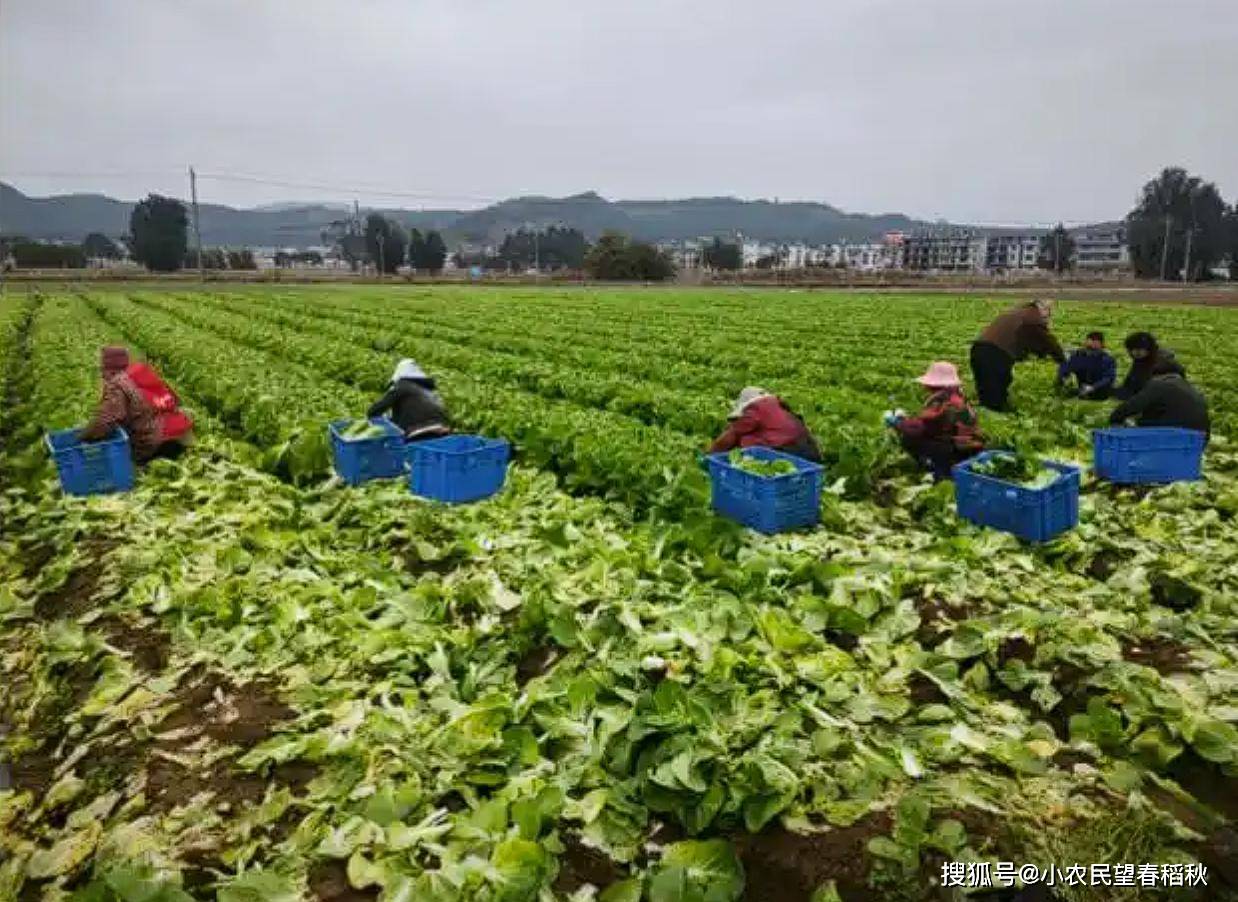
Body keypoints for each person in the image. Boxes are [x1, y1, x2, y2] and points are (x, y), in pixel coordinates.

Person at [79, 347, 190, 462]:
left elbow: (105, 420)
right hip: (182, 434)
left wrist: (83, 438)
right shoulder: (143, 372)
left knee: (123, 458)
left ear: (108, 368)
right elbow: (176, 399)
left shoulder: (117, 385)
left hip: (157, 444)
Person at [887, 361, 984, 481]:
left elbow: (921, 428)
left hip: (954, 449)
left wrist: (899, 422)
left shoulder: (941, 400)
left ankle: (935, 466)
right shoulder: (958, 396)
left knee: (909, 438)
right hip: (972, 447)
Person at [969, 299, 1065, 411]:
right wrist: (1062, 359)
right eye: (1048, 313)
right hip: (994, 353)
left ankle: (986, 412)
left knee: (987, 388)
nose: (1048, 318)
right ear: (1042, 309)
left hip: (978, 349)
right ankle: (996, 414)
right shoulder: (1032, 317)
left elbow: (1026, 339)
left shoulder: (1018, 312)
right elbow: (1048, 341)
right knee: (996, 392)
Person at [708, 387, 823, 463]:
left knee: (745, 439)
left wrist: (709, 457)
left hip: (786, 455)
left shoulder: (755, 409)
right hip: (810, 454)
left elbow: (727, 439)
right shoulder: (781, 407)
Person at [1109, 357, 1209, 437]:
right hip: (1197, 442)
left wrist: (1115, 418)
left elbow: (1131, 406)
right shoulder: (1191, 389)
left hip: (1169, 439)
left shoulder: (1160, 384)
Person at [367, 358, 451, 441]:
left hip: (420, 432)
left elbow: (376, 409)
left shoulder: (402, 386)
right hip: (442, 430)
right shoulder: (428, 391)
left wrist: (372, 415)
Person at [1114, 332, 1182, 400]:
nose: (1136, 352)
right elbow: (1130, 386)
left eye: (1140, 349)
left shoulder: (1162, 364)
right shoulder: (1142, 361)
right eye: (1133, 349)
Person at [1056, 331, 1118, 400]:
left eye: (1093, 350)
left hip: (1100, 392)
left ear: (1101, 346)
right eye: (1088, 348)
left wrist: (1092, 387)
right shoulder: (1079, 356)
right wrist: (1064, 377)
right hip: (1082, 389)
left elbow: (1108, 378)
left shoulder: (1107, 359)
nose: (1090, 352)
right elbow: (1066, 368)